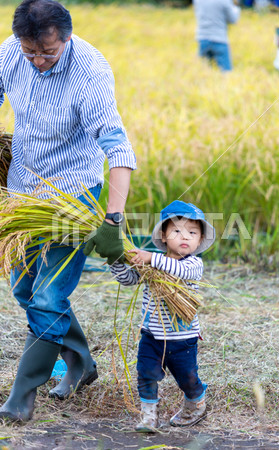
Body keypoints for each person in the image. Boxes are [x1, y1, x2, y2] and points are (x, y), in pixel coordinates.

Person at [0, 0, 136, 422]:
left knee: (47, 294)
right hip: (24, 193)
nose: (38, 62)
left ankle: (22, 395)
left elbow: (119, 149)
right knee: (25, 289)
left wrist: (112, 220)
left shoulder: (90, 73)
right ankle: (81, 361)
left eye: (48, 53)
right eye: (31, 53)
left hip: (73, 197)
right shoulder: (10, 52)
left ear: (68, 37)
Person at [110, 201, 216, 432]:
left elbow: (177, 270)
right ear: (164, 236)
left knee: (186, 378)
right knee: (146, 374)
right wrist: (116, 260)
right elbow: (129, 280)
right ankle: (149, 417)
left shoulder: (193, 265)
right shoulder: (151, 263)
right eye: (176, 231)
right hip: (152, 335)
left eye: (192, 232)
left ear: (199, 240)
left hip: (183, 338)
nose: (184, 236)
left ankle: (196, 402)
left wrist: (148, 257)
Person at [193, 0, 240, 72]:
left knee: (205, 71)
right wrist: (236, 7)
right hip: (219, 40)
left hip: (202, 39)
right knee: (226, 73)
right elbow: (233, 19)